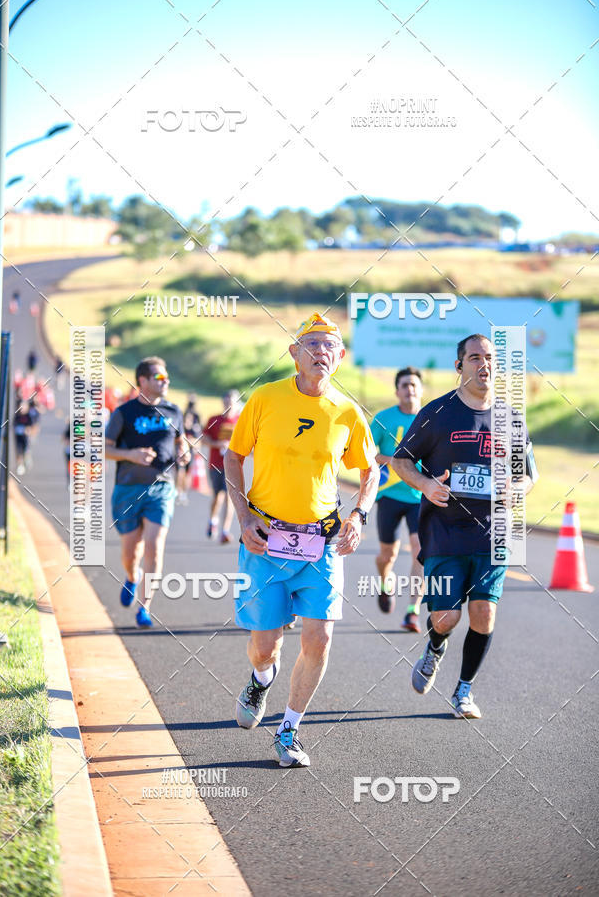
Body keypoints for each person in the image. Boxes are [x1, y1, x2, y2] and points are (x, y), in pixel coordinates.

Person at [224, 312, 379, 767]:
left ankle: (289, 729)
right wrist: (243, 517)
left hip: (322, 542)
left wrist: (360, 515)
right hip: (266, 538)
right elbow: (233, 458)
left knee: (319, 639)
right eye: (310, 344)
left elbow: (370, 470)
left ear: (341, 357)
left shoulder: (347, 412)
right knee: (264, 645)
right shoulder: (265, 399)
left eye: (328, 346)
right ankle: (260, 677)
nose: (320, 352)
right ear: (294, 353)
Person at [393, 334, 538, 719]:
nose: (483, 364)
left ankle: (464, 690)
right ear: (460, 367)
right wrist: (425, 484)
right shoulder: (437, 413)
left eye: (489, 357)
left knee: (484, 614)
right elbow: (401, 460)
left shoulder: (510, 419)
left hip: (493, 533)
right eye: (474, 358)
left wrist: (516, 488)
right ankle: (436, 644)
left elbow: (529, 475)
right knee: (446, 617)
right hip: (445, 530)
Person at [105, 357, 188, 628]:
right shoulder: (124, 413)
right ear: (142, 380)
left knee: (154, 544)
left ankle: (145, 607)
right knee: (131, 552)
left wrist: (183, 452)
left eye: (166, 378)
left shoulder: (174, 411)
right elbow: (104, 449)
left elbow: (180, 439)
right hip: (127, 489)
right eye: (159, 378)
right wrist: (130, 454)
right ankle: (131, 576)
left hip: (162, 487)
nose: (166, 382)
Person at [370, 367, 424, 630]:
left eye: (414, 385)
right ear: (397, 391)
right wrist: (395, 461)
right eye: (405, 385)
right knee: (387, 555)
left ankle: (412, 610)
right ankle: (384, 582)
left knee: (419, 551)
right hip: (390, 494)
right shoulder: (383, 418)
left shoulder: (432, 418)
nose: (410, 389)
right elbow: (366, 453)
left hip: (419, 496)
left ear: (420, 389)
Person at [203, 390, 241, 543]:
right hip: (216, 464)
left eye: (231, 401)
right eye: (226, 401)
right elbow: (204, 439)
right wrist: (217, 444)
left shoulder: (241, 420)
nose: (228, 404)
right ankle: (213, 521)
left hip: (233, 466)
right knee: (217, 496)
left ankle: (225, 531)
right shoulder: (214, 419)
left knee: (229, 498)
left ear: (236, 403)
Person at [176, 395, 202, 505]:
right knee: (179, 472)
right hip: (180, 452)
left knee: (187, 474)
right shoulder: (181, 425)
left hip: (189, 453)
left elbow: (198, 442)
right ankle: (178, 491)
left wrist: (190, 442)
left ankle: (184, 493)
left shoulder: (195, 425)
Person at [13, 401, 34, 475]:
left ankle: (26, 460)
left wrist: (28, 430)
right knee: (19, 452)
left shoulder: (28, 416)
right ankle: (20, 465)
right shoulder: (17, 416)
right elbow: (14, 425)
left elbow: (31, 427)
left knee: (25, 451)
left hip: (26, 438)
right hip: (18, 437)